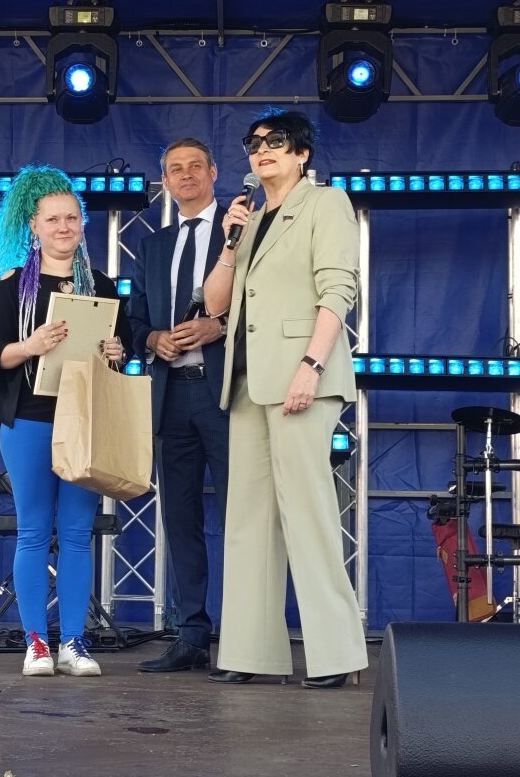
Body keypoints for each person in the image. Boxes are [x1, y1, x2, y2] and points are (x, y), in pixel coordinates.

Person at [203, 110, 368, 687]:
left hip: (301, 376)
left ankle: (337, 655)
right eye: (254, 143)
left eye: (276, 142)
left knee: (308, 512)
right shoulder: (248, 220)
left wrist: (312, 365)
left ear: (302, 154)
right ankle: (249, 652)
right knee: (247, 521)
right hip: (249, 382)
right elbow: (215, 304)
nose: (262, 150)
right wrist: (228, 244)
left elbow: (338, 289)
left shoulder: (326, 203)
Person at [0, 165, 132, 678]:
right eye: (53, 219)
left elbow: (121, 355)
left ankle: (74, 642)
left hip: (84, 421)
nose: (64, 227)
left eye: (71, 218)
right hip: (28, 420)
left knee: (77, 532)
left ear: (82, 223)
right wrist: (31, 345)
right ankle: (37, 644)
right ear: (34, 227)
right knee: (32, 531)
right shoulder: (11, 287)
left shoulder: (103, 287)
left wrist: (117, 352)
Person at [128, 138, 229, 673]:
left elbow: (265, 305)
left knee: (242, 517)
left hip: (227, 396)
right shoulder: (152, 246)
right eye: (175, 169)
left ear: (214, 172)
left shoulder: (243, 233)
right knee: (181, 519)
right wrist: (152, 340)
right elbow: (133, 319)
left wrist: (219, 326)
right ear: (165, 182)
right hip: (170, 397)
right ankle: (191, 635)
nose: (186, 175)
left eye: (195, 166)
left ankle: (244, 636)